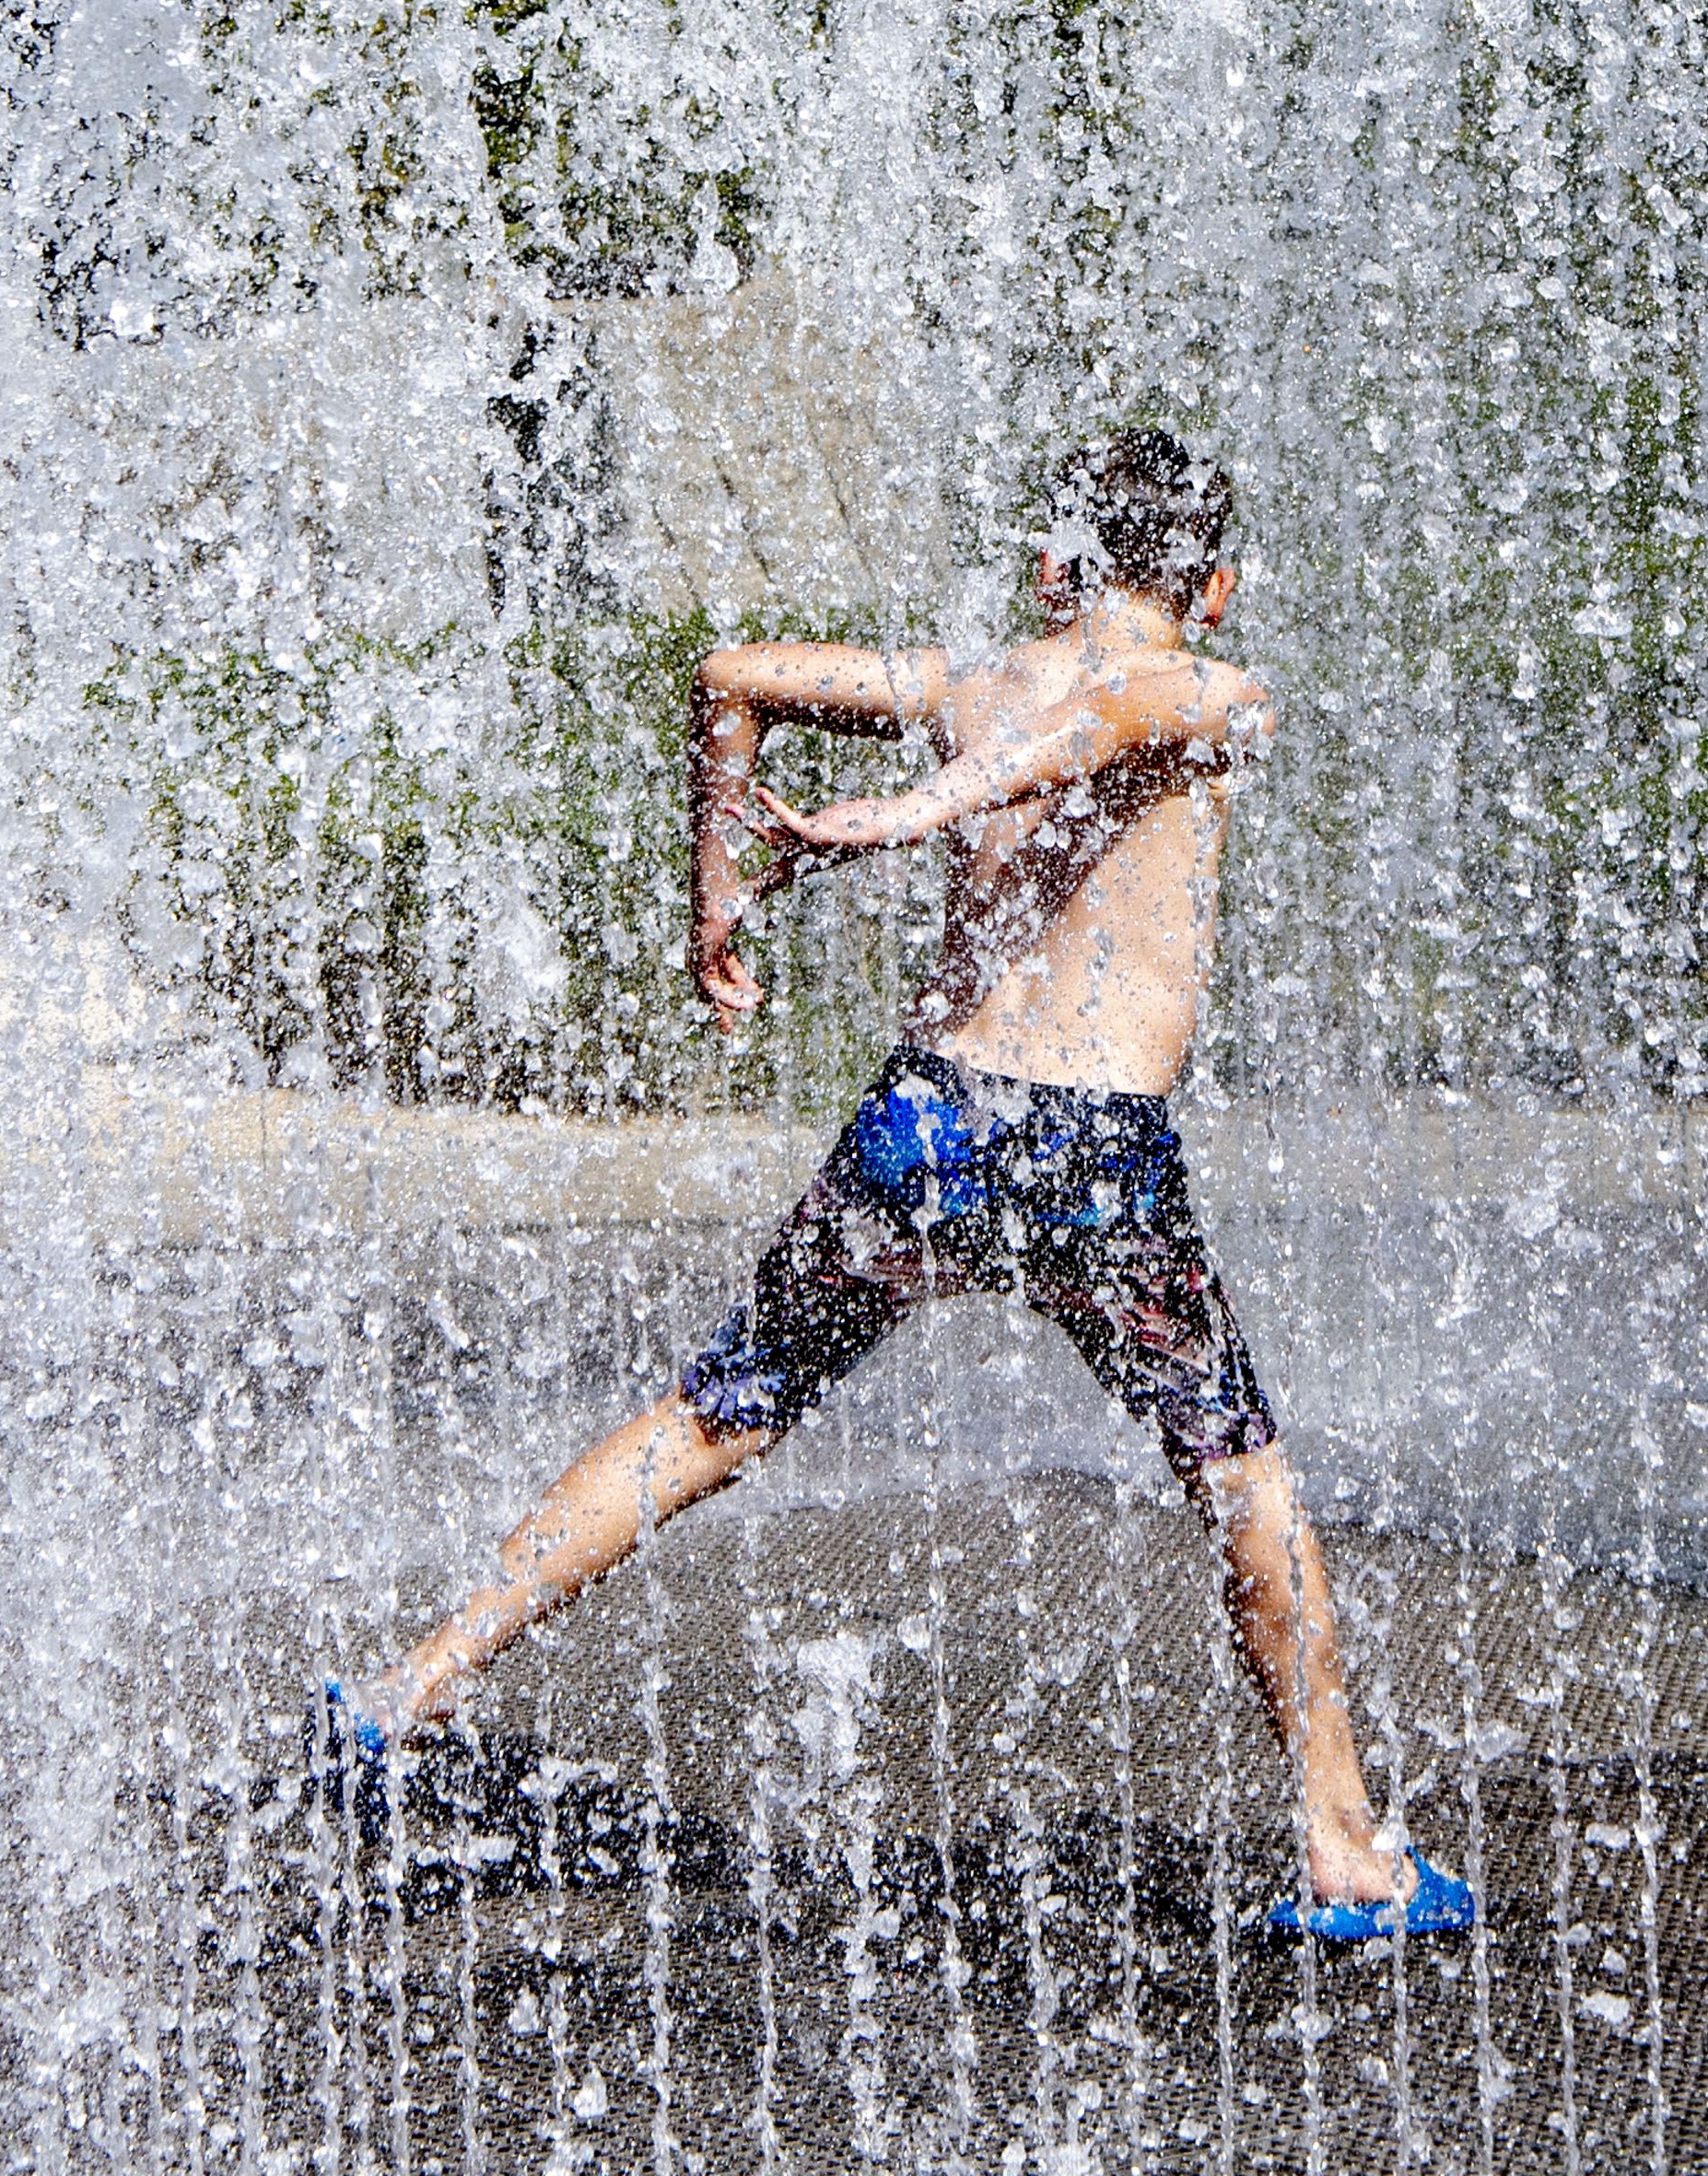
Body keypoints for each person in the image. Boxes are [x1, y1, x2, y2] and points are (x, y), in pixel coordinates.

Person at [316, 427, 1470, 1940]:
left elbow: (735, 675)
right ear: (1221, 582)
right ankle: (1342, 1851)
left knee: (719, 1411)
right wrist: (884, 824)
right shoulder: (1216, 689)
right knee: (1241, 1476)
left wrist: (718, 900)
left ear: (1056, 563)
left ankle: (412, 1686)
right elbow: (1124, 705)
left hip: (921, 1126)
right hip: (1088, 1157)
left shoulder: (973, 687)